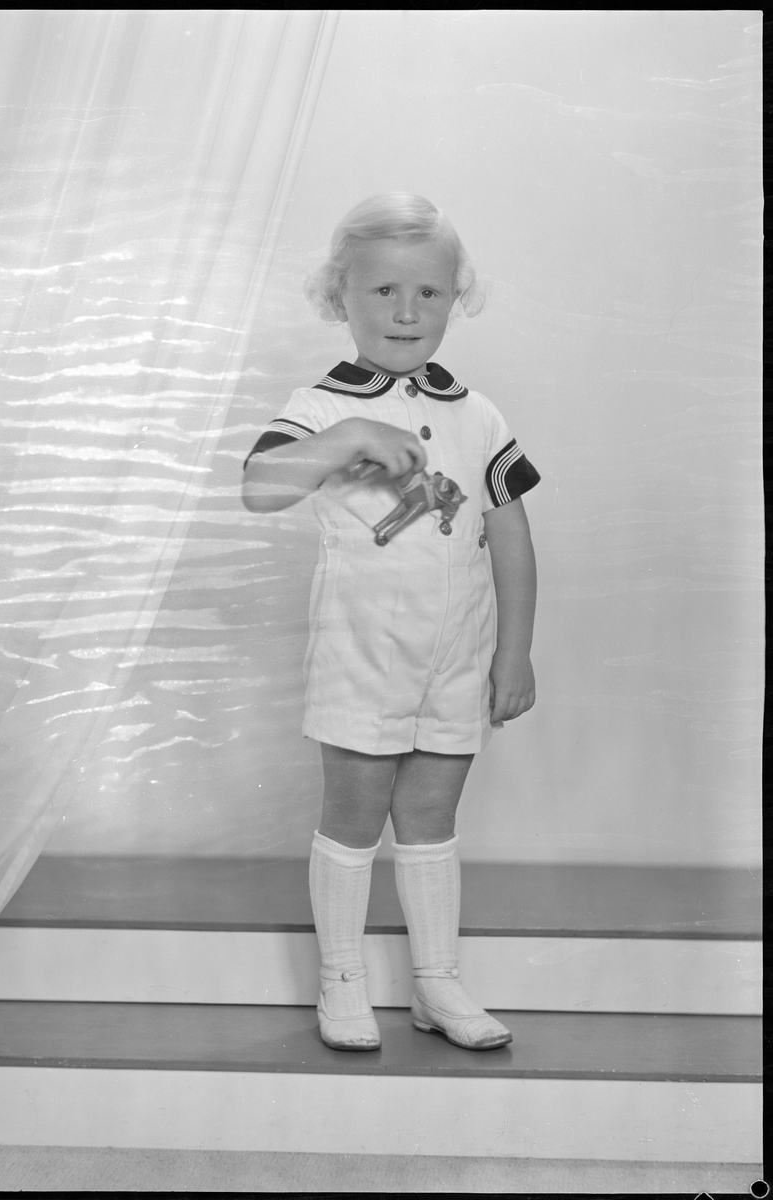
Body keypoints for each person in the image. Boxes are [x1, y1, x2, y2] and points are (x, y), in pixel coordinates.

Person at [242, 193, 539, 1052]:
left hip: (456, 655)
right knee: (355, 811)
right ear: (340, 296)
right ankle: (341, 980)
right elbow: (259, 488)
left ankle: (435, 981)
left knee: (433, 815)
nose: (406, 312)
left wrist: (513, 652)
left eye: (428, 293)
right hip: (361, 652)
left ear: (455, 298)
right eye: (382, 291)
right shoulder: (320, 408)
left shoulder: (477, 415)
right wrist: (348, 438)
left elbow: (510, 537)